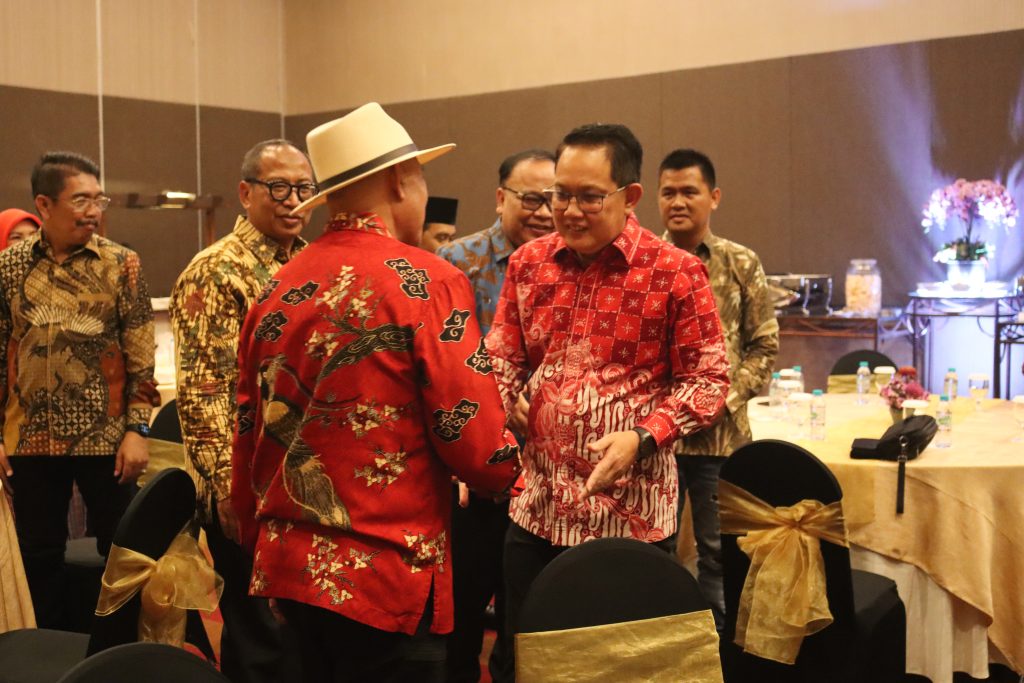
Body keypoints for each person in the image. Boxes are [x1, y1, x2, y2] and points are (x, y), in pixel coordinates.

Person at [231, 102, 521, 682]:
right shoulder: (427, 281)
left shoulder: (277, 285)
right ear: (398, 181)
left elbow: (248, 428)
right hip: (387, 574)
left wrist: (256, 538)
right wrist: (515, 466)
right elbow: (476, 445)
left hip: (289, 566)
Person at [485, 124, 730, 680]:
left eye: (590, 197)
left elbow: (709, 380)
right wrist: (503, 401)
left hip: (631, 517)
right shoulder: (529, 264)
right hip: (539, 508)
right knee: (528, 663)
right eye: (560, 195)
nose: (570, 211)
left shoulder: (675, 272)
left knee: (626, 669)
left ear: (630, 195)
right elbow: (500, 357)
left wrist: (644, 436)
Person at [170, 139, 315, 683]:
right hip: (246, 482)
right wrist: (229, 487)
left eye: (304, 189)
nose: (293, 201)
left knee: (301, 632)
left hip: (301, 475)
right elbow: (204, 390)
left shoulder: (312, 260)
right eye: (279, 188)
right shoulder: (217, 270)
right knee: (260, 639)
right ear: (246, 192)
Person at [0, 151, 159, 628]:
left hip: (107, 440)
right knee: (38, 556)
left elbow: (141, 354)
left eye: (98, 199)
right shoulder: (9, 267)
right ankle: (47, 652)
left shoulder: (122, 264)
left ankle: (120, 650)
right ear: (44, 205)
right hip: (29, 438)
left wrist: (137, 430)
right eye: (81, 200)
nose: (93, 211)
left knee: (123, 551)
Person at [435, 148, 554, 683]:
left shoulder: (567, 261)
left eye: (553, 199)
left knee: (525, 620)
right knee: (459, 615)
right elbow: (441, 366)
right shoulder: (456, 262)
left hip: (543, 476)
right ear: (501, 197)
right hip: (472, 471)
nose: (544, 212)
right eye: (531, 199)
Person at [657, 148, 779, 630]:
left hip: (720, 437)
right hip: (656, 438)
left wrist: (720, 401)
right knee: (657, 548)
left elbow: (764, 346)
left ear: (714, 197)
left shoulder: (741, 262)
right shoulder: (644, 261)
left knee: (719, 552)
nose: (678, 202)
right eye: (668, 192)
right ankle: (666, 645)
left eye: (689, 191)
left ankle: (721, 648)